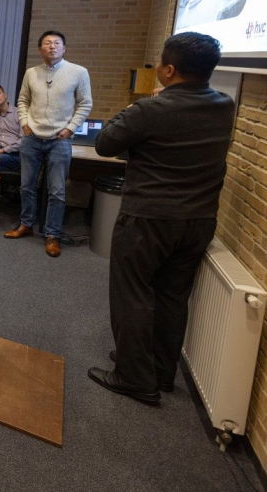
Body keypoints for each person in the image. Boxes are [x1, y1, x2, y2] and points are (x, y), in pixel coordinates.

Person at [87, 33, 234, 406]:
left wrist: (143, 104)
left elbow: (105, 143)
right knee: (172, 296)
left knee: (133, 294)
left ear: (169, 70)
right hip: (199, 220)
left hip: (148, 218)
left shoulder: (152, 109)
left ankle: (135, 378)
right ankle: (161, 372)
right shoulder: (224, 105)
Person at [5, 31, 93, 257]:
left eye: (57, 43)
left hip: (60, 140)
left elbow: (85, 104)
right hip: (31, 138)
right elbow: (22, 100)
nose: (52, 46)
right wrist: (24, 123)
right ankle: (26, 225)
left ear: (64, 49)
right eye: (47, 43)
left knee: (57, 191)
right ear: (40, 49)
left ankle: (52, 234)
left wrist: (70, 128)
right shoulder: (31, 73)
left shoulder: (78, 72)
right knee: (26, 186)